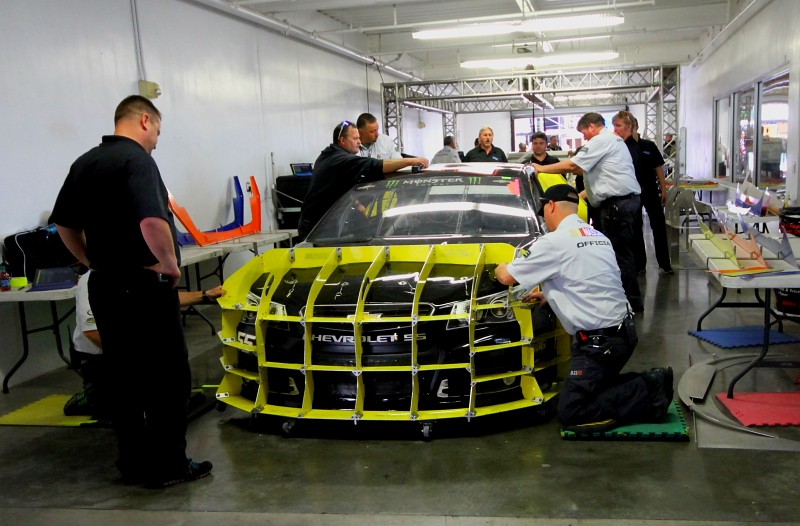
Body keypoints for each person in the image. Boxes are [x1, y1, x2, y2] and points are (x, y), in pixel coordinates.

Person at [51, 95, 213, 488]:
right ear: (144, 120)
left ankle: (133, 464)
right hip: (144, 284)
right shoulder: (138, 160)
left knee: (123, 377)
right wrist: (169, 264)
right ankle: (169, 466)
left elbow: (64, 225)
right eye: (158, 131)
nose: (157, 140)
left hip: (105, 285)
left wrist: (91, 262)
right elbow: (152, 220)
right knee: (169, 378)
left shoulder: (85, 162)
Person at [494, 184, 673, 432]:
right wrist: (551, 294)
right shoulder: (596, 236)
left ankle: (650, 388)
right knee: (593, 388)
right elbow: (587, 278)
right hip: (624, 334)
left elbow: (507, 278)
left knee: (572, 410)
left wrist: (498, 264)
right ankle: (649, 382)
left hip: (600, 346)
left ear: (551, 206)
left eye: (543, 211)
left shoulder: (553, 242)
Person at [64, 269, 226, 418]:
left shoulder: (137, 272)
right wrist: (138, 361)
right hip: (102, 357)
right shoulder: (91, 281)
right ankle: (90, 394)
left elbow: (165, 297)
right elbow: (93, 333)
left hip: (133, 349)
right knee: (124, 409)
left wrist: (205, 295)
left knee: (171, 401)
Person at [531, 112, 643, 313]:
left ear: (592, 127)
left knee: (619, 256)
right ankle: (628, 300)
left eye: (584, 133)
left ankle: (628, 305)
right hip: (625, 203)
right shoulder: (613, 141)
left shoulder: (602, 139)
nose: (585, 138)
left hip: (617, 206)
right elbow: (589, 172)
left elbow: (574, 165)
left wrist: (541, 168)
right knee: (621, 253)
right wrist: (575, 195)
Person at [297, 120, 429, 239]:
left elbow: (339, 186)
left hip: (320, 222)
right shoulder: (341, 160)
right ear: (343, 141)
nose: (359, 142)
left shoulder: (330, 155)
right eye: (355, 138)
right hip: (318, 226)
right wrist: (411, 161)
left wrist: (358, 206)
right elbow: (376, 166)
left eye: (359, 138)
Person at [612, 112, 673, 274]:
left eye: (621, 126)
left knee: (659, 226)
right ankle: (640, 265)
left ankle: (665, 264)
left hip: (651, 191)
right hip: (632, 193)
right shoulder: (621, 146)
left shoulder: (648, 146)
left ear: (634, 127)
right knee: (636, 228)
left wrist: (664, 188)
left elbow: (658, 168)